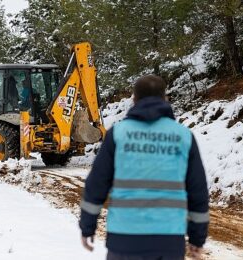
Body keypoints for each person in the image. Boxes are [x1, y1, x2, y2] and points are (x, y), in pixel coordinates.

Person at [79, 75, 209, 260]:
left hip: (124, 239)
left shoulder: (118, 134)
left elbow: (96, 184)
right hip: (168, 239)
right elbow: (198, 191)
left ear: (134, 99)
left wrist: (87, 227)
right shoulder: (183, 136)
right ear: (165, 98)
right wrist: (197, 239)